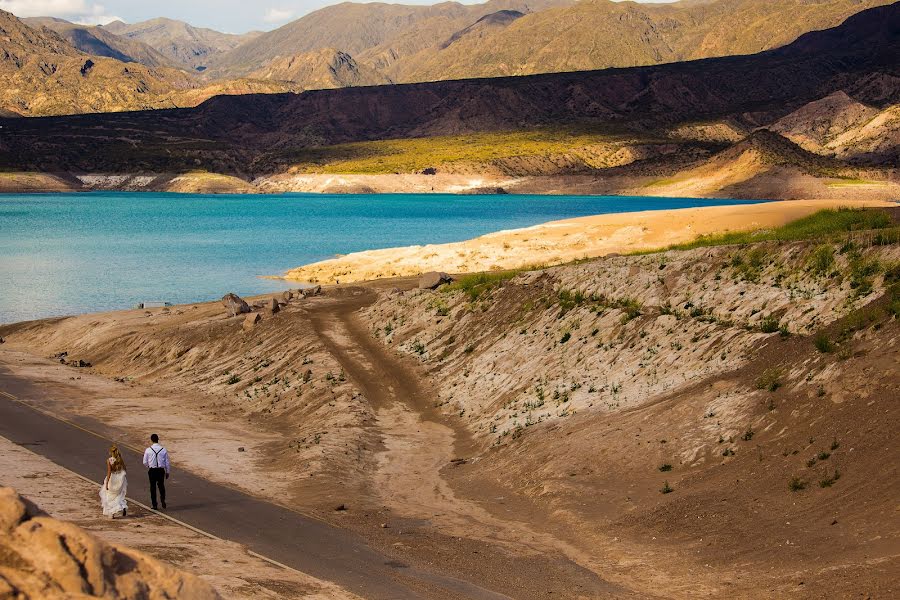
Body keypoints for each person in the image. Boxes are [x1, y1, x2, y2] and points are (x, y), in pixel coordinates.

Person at [142, 434, 170, 510]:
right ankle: (163, 499)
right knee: (161, 486)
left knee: (153, 487)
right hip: (161, 470)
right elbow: (167, 462)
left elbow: (144, 462)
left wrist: (149, 466)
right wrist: (167, 472)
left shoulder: (148, 450)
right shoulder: (163, 449)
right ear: (158, 439)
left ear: (151, 440)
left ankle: (154, 504)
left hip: (152, 470)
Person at [100, 445, 127, 519]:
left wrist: (107, 482)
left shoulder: (109, 460)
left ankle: (112, 513)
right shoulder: (120, 459)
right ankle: (123, 506)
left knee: (110, 495)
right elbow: (124, 468)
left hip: (113, 478)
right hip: (120, 478)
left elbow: (109, 472)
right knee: (119, 494)